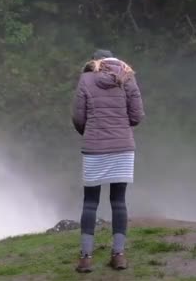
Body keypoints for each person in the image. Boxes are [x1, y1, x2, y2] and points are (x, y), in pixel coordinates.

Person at [72, 49, 145, 273]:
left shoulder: (85, 79)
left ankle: (86, 258)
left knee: (90, 202)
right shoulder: (128, 78)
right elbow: (137, 115)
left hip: (94, 148)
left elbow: (78, 117)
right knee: (119, 201)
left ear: (96, 62)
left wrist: (90, 131)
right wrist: (121, 128)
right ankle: (119, 256)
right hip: (123, 147)